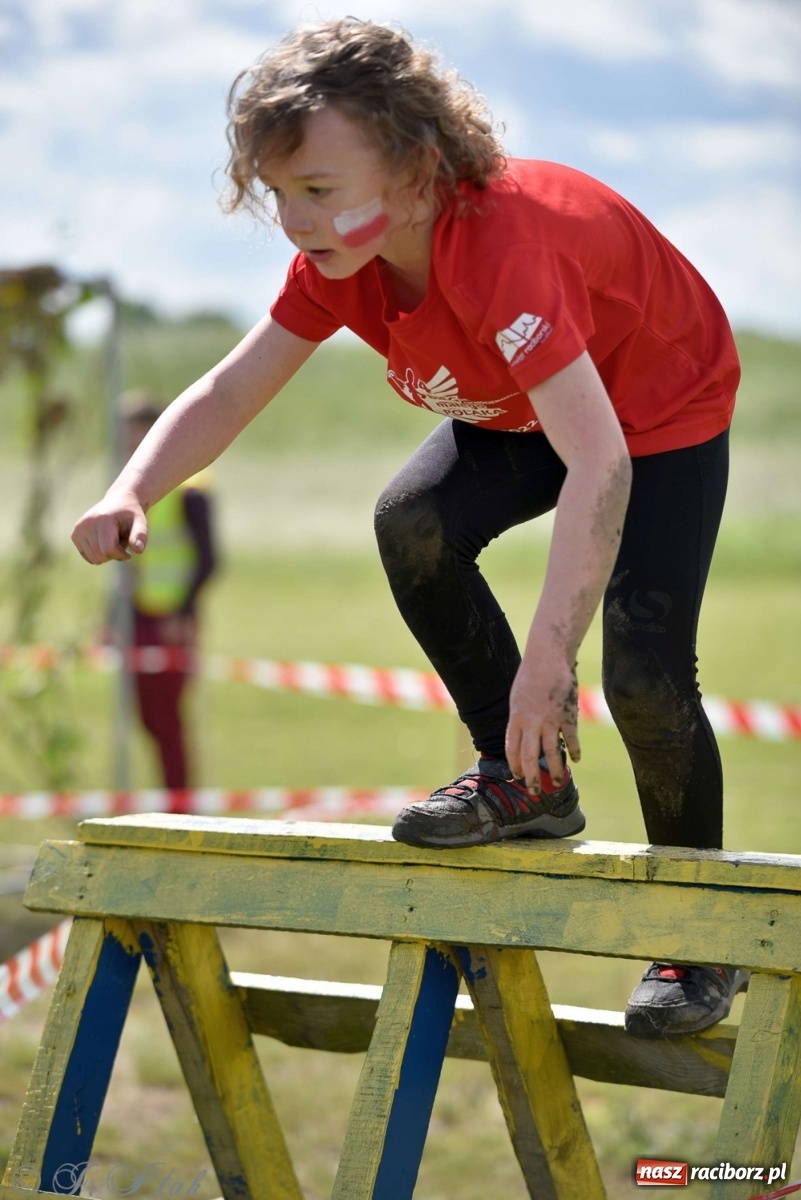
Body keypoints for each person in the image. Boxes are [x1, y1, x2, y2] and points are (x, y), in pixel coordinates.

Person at [72, 18, 745, 1037]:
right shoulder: (343, 262)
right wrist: (132, 491)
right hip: (535, 405)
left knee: (645, 680)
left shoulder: (504, 253)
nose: (295, 220)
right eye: (279, 193)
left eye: (319, 190)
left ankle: (699, 942)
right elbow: (228, 388)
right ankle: (524, 783)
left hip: (656, 412)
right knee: (414, 522)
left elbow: (600, 461)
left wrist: (547, 659)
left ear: (419, 166)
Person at [110, 392, 218, 805]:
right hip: (138, 616)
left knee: (168, 722)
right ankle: (169, 802)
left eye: (135, 436)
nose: (127, 445)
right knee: (147, 719)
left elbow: (208, 559)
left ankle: (181, 806)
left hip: (172, 621)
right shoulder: (125, 490)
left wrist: (184, 611)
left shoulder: (192, 490)